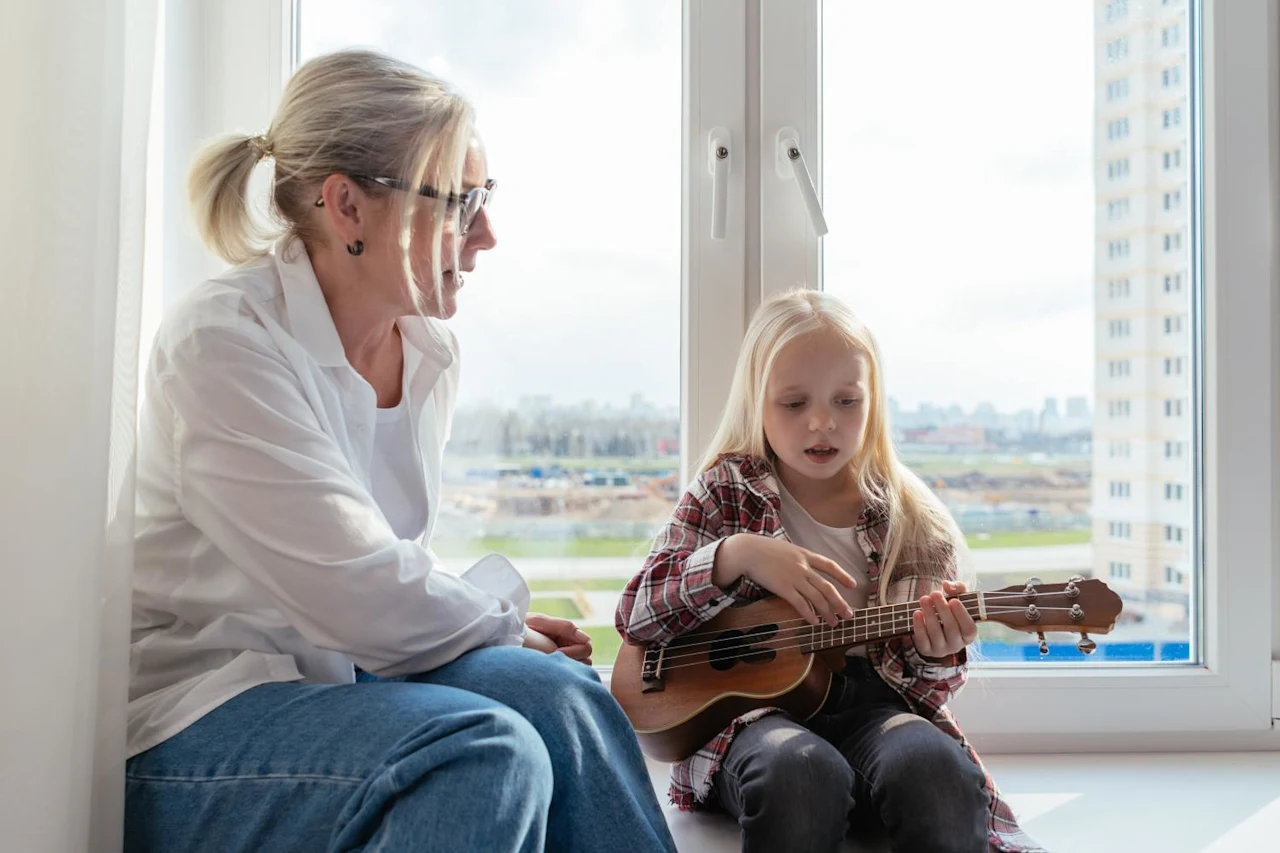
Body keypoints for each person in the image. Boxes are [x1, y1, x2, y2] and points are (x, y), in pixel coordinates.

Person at [125, 49, 676, 853]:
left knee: (559, 695)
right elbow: (352, 587)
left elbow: (382, 563)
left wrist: (499, 630)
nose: (487, 233)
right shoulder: (223, 345)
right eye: (459, 202)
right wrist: (497, 624)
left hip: (343, 678)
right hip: (200, 722)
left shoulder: (423, 352)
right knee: (484, 752)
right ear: (346, 205)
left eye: (484, 199)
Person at [616, 289, 1043, 853]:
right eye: (794, 404)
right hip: (751, 722)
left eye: (847, 401)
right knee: (799, 772)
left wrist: (938, 651)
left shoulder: (912, 521)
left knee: (936, 772)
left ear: (874, 404)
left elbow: (924, 693)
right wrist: (736, 555)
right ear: (757, 402)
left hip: (874, 712)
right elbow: (637, 616)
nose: (822, 422)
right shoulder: (724, 493)